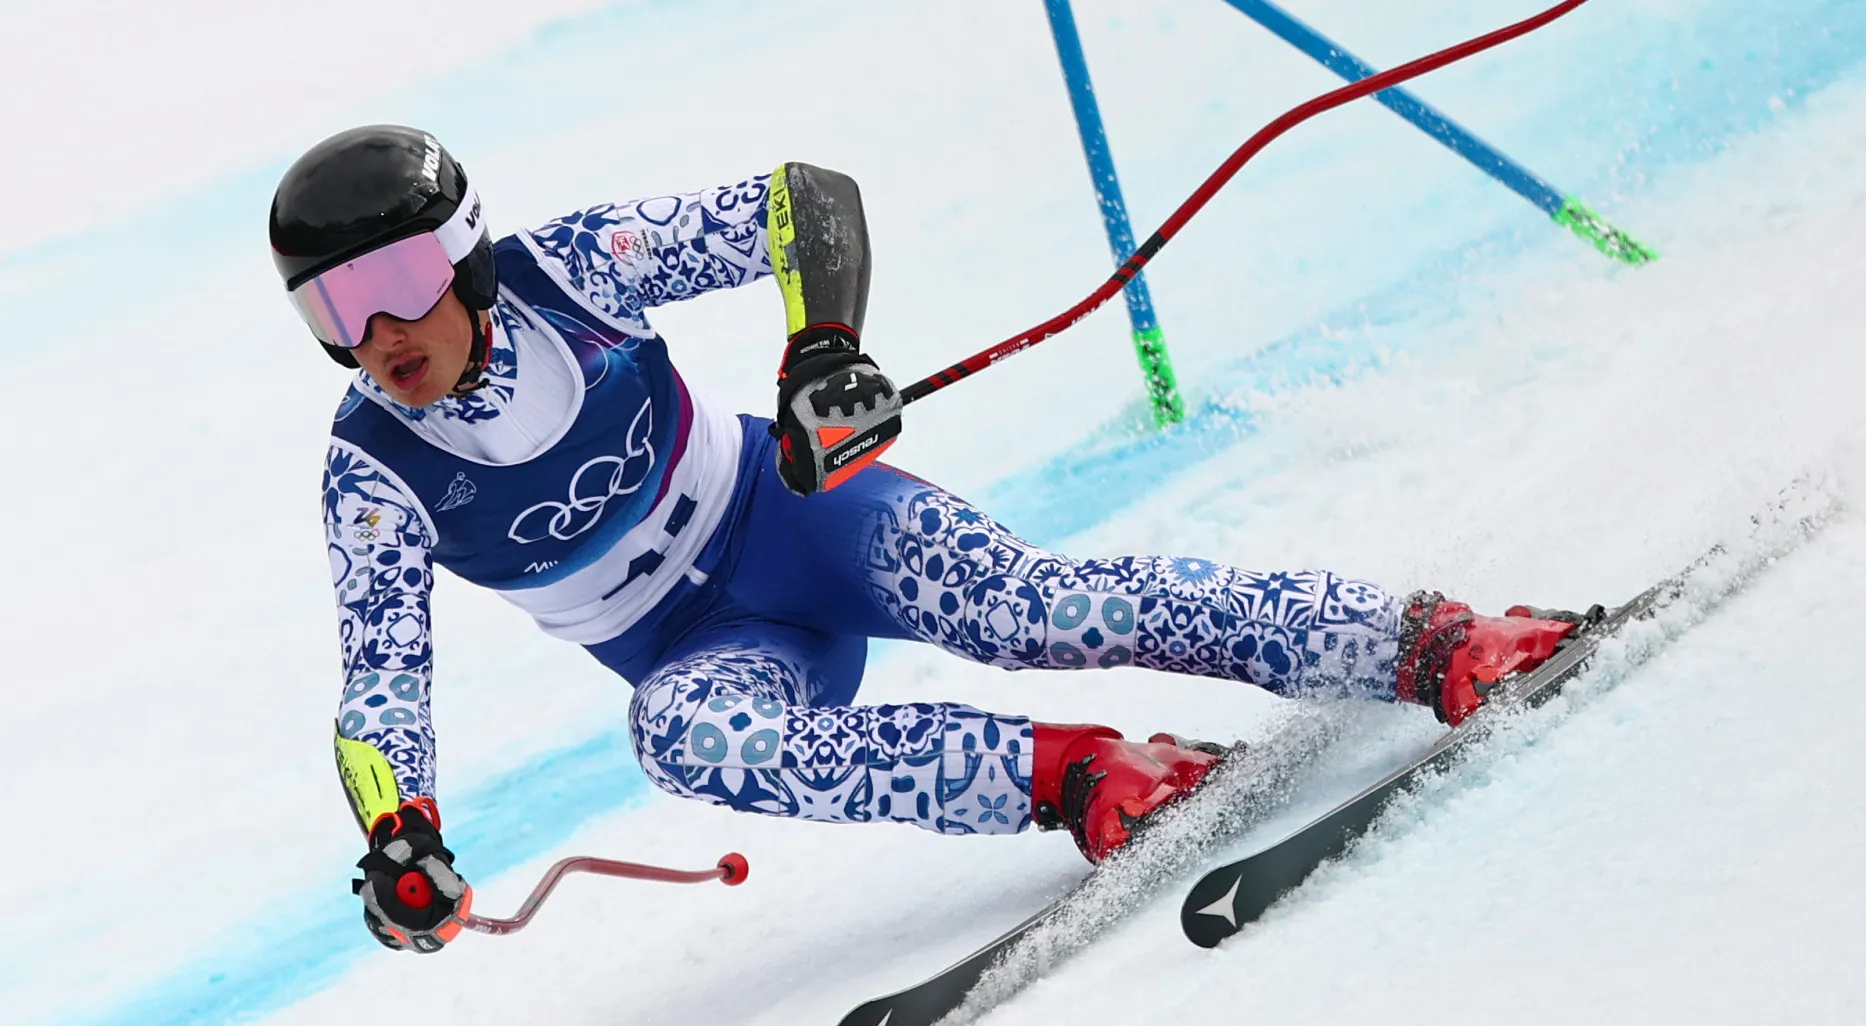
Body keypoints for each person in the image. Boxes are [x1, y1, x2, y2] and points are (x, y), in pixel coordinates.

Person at [271, 124, 1587, 954]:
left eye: (393, 282)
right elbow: (382, 689)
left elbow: (803, 197)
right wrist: (404, 840)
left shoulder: (576, 272)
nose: (375, 332)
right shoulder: (372, 474)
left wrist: (824, 353)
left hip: (799, 519)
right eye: (333, 307)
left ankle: (1432, 642)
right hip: (711, 648)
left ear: (464, 257)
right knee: (683, 741)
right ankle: (1089, 775)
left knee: (1036, 612)